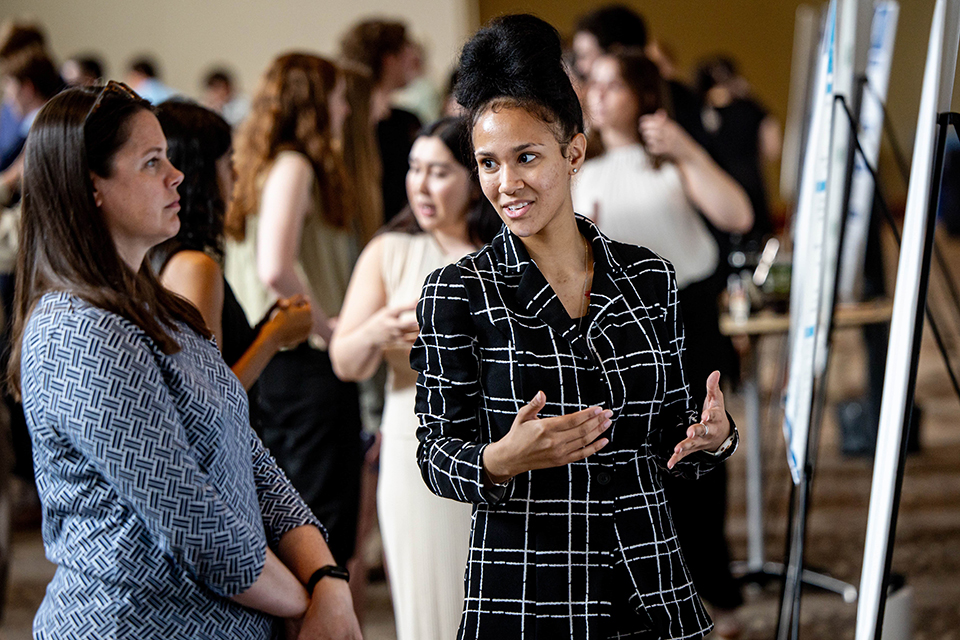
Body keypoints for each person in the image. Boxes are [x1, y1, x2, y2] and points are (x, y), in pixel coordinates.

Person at [412, 15, 738, 639]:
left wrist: (710, 437)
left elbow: (670, 433)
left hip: (649, 581)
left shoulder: (649, 278)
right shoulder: (458, 293)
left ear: (574, 153)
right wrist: (498, 460)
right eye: (488, 163)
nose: (507, 184)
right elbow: (434, 454)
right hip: (530, 585)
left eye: (527, 157)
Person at [11, 82, 361, 639]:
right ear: (91, 186)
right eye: (152, 162)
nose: (177, 176)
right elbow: (194, 521)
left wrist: (326, 577)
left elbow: (249, 457)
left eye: (169, 158)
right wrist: (307, 605)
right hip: (131, 624)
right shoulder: (74, 329)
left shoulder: (164, 308)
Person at [574, 49, 753, 637]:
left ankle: (715, 592)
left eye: (610, 86)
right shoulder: (580, 168)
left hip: (689, 314)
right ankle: (655, 603)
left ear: (643, 94)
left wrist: (685, 148)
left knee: (701, 450)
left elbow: (738, 214)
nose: (596, 96)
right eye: (591, 86)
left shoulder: (671, 155)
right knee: (640, 462)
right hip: (621, 325)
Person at [331, 116, 500, 640]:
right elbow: (345, 361)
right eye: (414, 169)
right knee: (430, 610)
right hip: (417, 449)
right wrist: (380, 329)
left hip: (500, 445)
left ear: (475, 180)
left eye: (440, 172)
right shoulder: (389, 251)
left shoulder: (504, 255)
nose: (421, 185)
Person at [225, 53, 363, 567]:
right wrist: (329, 331)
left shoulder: (259, 164)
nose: (344, 108)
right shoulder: (294, 164)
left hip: (274, 361)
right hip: (301, 362)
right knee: (317, 524)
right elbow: (274, 267)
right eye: (337, 96)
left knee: (293, 517)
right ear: (314, 102)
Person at [149, 100, 312, 433]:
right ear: (199, 174)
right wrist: (273, 336)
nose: (236, 176)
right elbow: (211, 399)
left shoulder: (157, 251)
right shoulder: (194, 266)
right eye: (228, 163)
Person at [340, 19, 422, 222]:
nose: (412, 62)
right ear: (389, 59)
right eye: (405, 54)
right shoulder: (350, 123)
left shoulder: (406, 118)